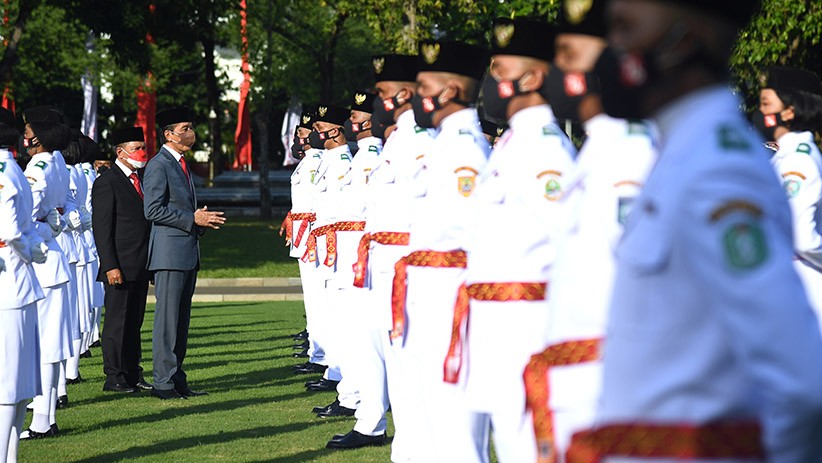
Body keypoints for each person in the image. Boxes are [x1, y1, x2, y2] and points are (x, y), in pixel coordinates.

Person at [566, 1, 822, 462]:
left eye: (625, 28)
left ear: (685, 38)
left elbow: (798, 379)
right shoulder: (682, 152)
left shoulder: (716, 170)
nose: (612, 49)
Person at [522, 1, 657, 459]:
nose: (556, 71)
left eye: (569, 56)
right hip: (580, 383)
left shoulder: (632, 155)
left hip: (611, 386)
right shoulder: (599, 149)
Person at [454, 18, 576, 462]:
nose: (489, 82)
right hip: (497, 322)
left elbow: (571, 241)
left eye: (500, 71)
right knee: (509, 441)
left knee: (530, 446)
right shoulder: (512, 143)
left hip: (528, 324)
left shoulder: (545, 148)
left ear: (534, 78)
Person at [387, 39, 490, 462]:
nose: (415, 95)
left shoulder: (465, 147)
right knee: (428, 415)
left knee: (455, 430)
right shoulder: (445, 141)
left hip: (450, 297)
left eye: (424, 85)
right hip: (427, 294)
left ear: (449, 90)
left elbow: (472, 237)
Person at [336, 53, 433, 455]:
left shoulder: (424, 141)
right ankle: (373, 423)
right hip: (377, 260)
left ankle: (413, 445)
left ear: (405, 93)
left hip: (405, 262)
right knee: (376, 348)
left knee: (409, 361)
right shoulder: (397, 141)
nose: (376, 103)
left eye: (382, 93)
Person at [143, 106, 225, 400]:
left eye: (191, 127)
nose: (191, 133)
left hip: (185, 251)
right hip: (169, 254)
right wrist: (192, 219)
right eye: (185, 128)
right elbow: (152, 209)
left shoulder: (179, 163)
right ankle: (162, 382)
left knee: (180, 321)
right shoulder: (159, 164)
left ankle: (177, 378)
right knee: (167, 321)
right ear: (169, 134)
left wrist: (197, 218)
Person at [753, 66, 822, 331]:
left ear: (790, 111)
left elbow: (802, 237)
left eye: (766, 104)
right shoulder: (780, 158)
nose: (761, 113)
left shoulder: (798, 161)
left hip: (806, 291)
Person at [20, 106, 75, 439]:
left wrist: (45, 227)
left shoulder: (39, 165)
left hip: (40, 260)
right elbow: (65, 208)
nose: (24, 136)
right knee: (48, 345)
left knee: (41, 345)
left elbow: (24, 212)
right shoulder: (57, 163)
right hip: (52, 258)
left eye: (28, 130)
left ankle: (42, 419)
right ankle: (46, 416)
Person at [0, 106, 46, 460]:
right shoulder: (11, 169)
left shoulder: (7, 170)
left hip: (11, 283)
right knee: (13, 385)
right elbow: (15, 230)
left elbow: (11, 230)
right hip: (15, 282)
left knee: (9, 385)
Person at [92, 127, 153, 394]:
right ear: (120, 152)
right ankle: (114, 375)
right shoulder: (108, 181)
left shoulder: (140, 178)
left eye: (143, 147)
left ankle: (132, 372)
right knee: (117, 322)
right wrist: (110, 265)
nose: (142, 153)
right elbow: (102, 228)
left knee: (134, 322)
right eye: (137, 148)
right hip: (120, 264)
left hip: (140, 263)